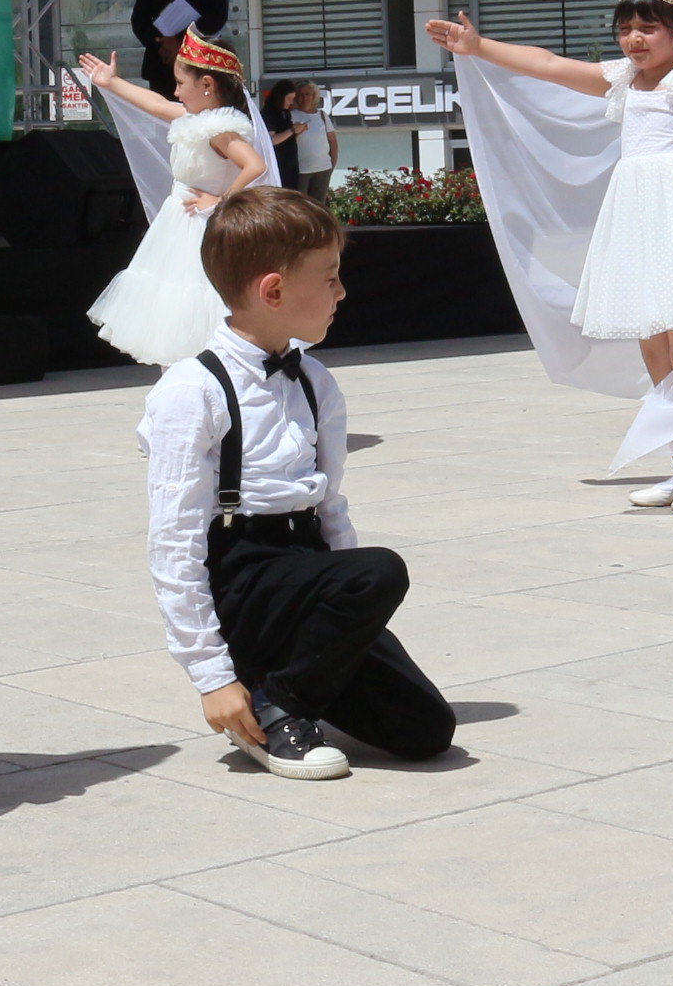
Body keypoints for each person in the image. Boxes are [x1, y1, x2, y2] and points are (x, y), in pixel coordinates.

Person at [430, 0, 673, 513]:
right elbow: (548, 64)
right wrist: (479, 46)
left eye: (648, 27)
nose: (634, 39)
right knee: (654, 342)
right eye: (625, 28)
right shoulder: (623, 77)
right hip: (638, 212)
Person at [141, 186, 452, 778]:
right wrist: (211, 676)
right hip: (242, 575)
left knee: (426, 731)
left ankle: (285, 682)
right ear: (274, 290)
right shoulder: (192, 390)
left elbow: (328, 502)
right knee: (382, 570)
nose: (342, 291)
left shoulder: (315, 381)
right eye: (330, 277)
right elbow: (174, 543)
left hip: (303, 571)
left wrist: (346, 622)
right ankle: (274, 704)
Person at [80, 31, 271, 365]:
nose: (176, 90)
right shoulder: (194, 120)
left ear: (207, 85)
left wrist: (222, 201)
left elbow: (255, 165)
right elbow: (155, 104)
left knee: (196, 299)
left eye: (182, 83)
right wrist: (111, 82)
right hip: (178, 224)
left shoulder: (220, 129)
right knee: (172, 303)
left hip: (200, 228)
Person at [290, 80, 339, 196]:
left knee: (318, 206)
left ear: (314, 96)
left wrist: (332, 164)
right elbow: (286, 143)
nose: (304, 97)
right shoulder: (291, 115)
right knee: (300, 205)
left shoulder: (322, 115)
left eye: (308, 94)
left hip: (323, 168)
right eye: (301, 94)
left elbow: (332, 141)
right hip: (301, 170)